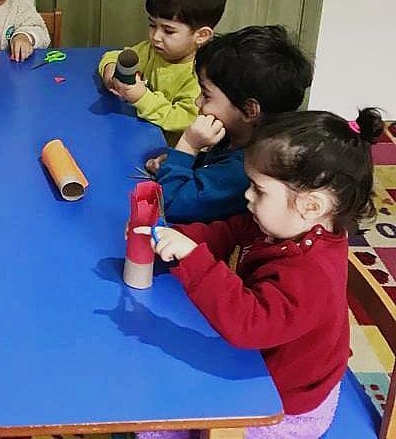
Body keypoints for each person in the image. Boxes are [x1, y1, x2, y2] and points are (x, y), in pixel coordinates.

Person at [133, 108, 384, 439]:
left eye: (259, 189)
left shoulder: (312, 275)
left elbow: (249, 324)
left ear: (311, 206)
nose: (247, 196)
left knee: (158, 419)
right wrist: (175, 237)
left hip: (288, 406)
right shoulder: (282, 225)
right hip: (264, 364)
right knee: (160, 391)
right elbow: (227, 232)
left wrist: (193, 258)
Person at [145, 25, 313, 223]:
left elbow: (170, 205)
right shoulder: (238, 135)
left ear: (249, 110)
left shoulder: (246, 169)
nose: (198, 102)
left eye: (206, 95)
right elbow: (213, 165)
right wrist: (179, 163)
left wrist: (188, 147)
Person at [98, 0, 227, 141]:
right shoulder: (152, 50)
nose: (156, 37)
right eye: (152, 25)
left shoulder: (202, 74)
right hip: (139, 137)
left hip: (173, 150)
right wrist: (111, 72)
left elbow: (185, 120)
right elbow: (115, 56)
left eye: (168, 31)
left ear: (201, 35)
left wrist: (141, 97)